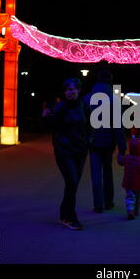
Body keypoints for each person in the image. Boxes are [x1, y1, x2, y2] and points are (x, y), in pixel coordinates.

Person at [43, 78, 91, 230]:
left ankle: (64, 214)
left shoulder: (84, 106)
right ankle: (70, 217)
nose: (71, 92)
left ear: (78, 90)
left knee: (73, 184)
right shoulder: (60, 107)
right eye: (68, 90)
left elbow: (90, 125)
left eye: (73, 89)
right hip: (64, 152)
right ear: (64, 92)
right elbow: (50, 124)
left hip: (80, 151)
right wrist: (45, 117)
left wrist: (89, 140)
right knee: (72, 182)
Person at [84, 69, 127, 213]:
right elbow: (118, 126)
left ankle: (98, 205)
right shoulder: (114, 99)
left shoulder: (87, 98)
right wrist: (122, 148)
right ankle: (109, 202)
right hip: (109, 142)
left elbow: (82, 123)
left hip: (92, 141)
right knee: (107, 171)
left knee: (95, 173)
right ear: (110, 81)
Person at [117, 137, 140, 220]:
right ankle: (136, 211)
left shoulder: (127, 158)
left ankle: (130, 211)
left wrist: (120, 154)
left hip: (128, 183)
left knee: (129, 196)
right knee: (137, 197)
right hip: (138, 184)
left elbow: (120, 161)